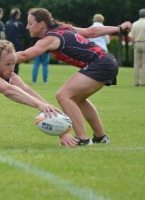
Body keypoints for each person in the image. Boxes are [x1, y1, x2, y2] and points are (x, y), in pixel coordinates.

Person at [16, 8, 132, 146]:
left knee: (63, 95)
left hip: (100, 63)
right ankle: (100, 137)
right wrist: (119, 28)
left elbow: (24, 55)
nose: (27, 26)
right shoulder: (63, 28)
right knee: (79, 99)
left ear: (41, 24)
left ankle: (83, 139)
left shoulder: (50, 39)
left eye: (30, 23)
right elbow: (91, 32)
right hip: (106, 61)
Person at [5, 8, 26, 74]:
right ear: (17, 15)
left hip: (8, 46)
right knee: (16, 63)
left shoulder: (7, 23)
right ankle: (15, 77)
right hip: (17, 45)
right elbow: (24, 35)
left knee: (8, 63)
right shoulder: (19, 23)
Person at [129, 9, 145, 86]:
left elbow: (131, 36)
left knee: (136, 64)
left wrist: (133, 44)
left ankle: (136, 81)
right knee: (144, 64)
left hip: (137, 44)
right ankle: (143, 82)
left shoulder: (135, 24)